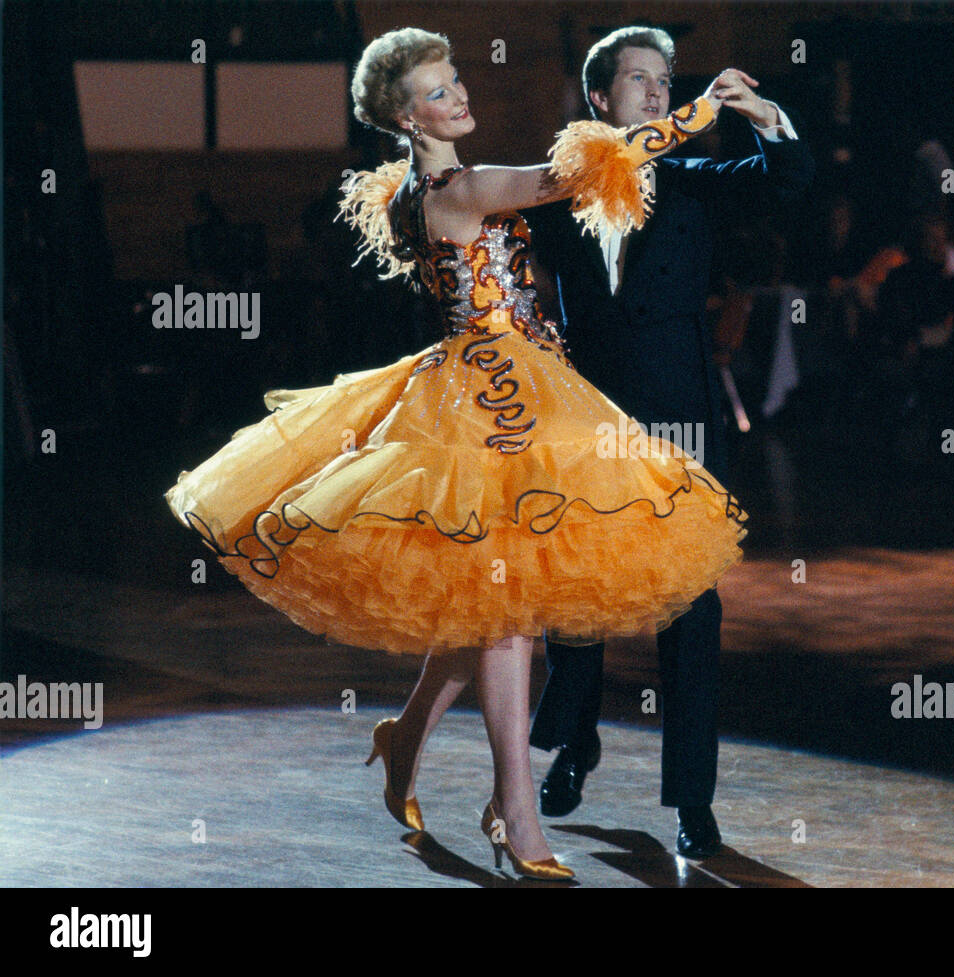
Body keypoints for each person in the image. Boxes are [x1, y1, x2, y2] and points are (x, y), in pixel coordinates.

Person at [163, 27, 747, 882]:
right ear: (406, 116)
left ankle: (406, 740)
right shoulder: (462, 187)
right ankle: (515, 813)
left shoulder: (416, 186)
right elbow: (578, 176)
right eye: (440, 91)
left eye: (457, 77)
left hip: (519, 391)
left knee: (486, 607)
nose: (462, 96)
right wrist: (696, 112)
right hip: (492, 407)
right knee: (503, 612)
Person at [524, 25, 813, 858]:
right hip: (587, 424)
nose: (657, 93)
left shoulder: (688, 179)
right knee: (579, 595)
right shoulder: (561, 186)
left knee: (691, 605)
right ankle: (576, 742)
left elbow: (787, 178)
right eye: (638, 79)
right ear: (599, 97)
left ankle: (692, 799)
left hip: (682, 421)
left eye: (664, 80)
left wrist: (762, 113)